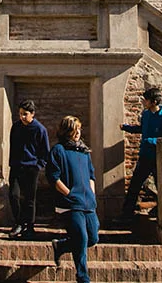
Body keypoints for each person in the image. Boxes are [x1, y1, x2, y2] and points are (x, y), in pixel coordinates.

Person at [47, 115, 99, 283]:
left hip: (88, 202)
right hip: (70, 204)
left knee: (93, 238)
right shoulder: (58, 150)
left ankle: (61, 246)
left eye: (79, 129)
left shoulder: (84, 151)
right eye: (74, 129)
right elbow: (53, 177)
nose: (78, 132)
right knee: (81, 238)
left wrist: (92, 194)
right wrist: (68, 193)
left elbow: (91, 175)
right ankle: (83, 277)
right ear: (66, 131)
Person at [119, 87, 162, 220]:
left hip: (157, 157)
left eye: (146, 99)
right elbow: (142, 129)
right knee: (135, 185)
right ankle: (127, 214)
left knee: (160, 186)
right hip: (144, 156)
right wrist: (127, 128)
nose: (143, 101)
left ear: (154, 102)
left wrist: (151, 141)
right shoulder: (146, 114)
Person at [8, 100, 50, 240]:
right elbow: (12, 146)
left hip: (31, 168)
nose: (22, 117)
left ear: (32, 114)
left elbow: (45, 151)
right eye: (20, 114)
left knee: (29, 199)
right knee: (14, 195)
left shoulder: (39, 129)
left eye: (25, 114)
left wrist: (38, 165)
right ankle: (19, 222)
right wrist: (12, 163)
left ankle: (30, 226)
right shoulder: (16, 127)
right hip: (16, 166)